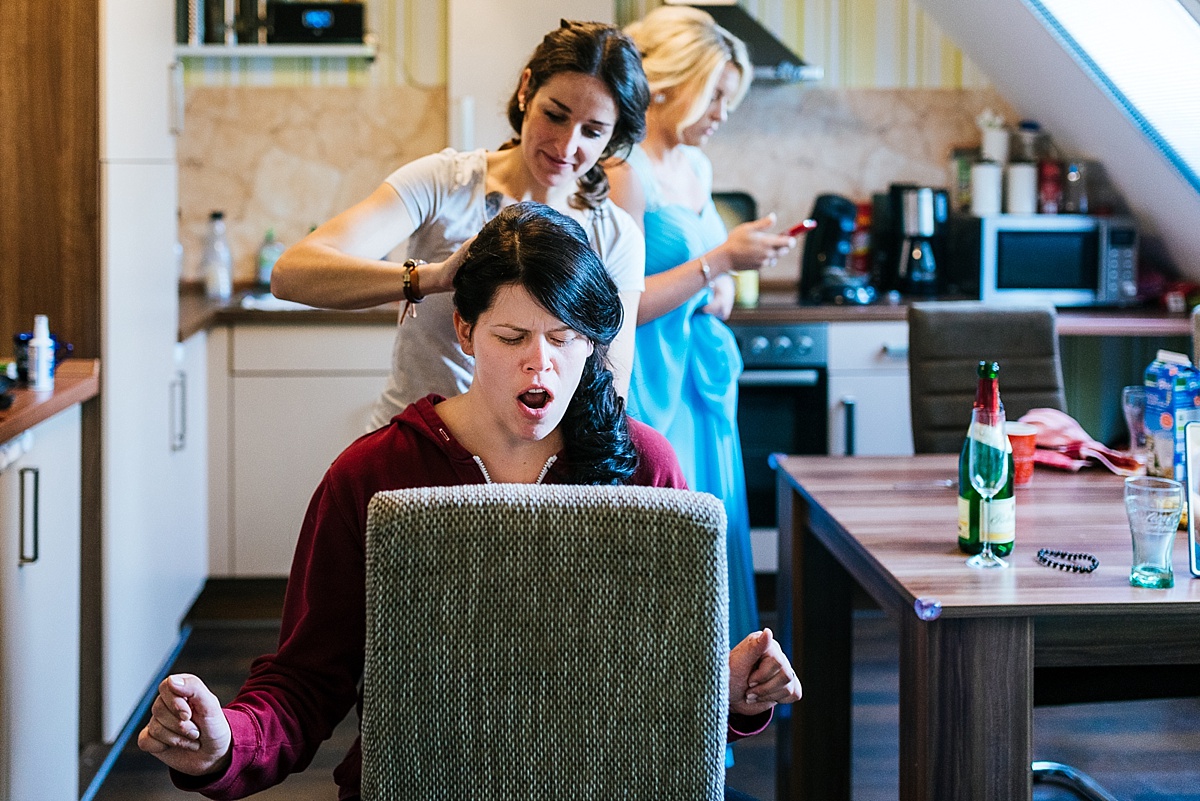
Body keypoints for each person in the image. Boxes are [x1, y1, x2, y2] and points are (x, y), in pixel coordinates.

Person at [139, 204, 802, 801]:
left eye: (565, 337)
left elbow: (676, 685)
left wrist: (736, 691)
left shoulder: (645, 465)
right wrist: (224, 741)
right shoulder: (373, 474)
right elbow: (303, 684)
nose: (539, 365)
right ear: (464, 329)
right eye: (512, 338)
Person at [270, 20, 650, 430]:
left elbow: (611, 388)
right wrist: (430, 278)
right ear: (526, 90)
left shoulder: (615, 236)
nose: (566, 146)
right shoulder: (444, 183)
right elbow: (291, 275)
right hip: (416, 450)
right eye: (554, 115)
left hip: (531, 466)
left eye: (592, 132)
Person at [607, 5, 795, 647]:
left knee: (711, 540)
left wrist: (723, 285)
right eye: (714, 95)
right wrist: (720, 260)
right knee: (662, 558)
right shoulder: (622, 170)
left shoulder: (697, 169)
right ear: (666, 82)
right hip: (648, 388)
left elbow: (700, 282)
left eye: (728, 100)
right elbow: (614, 307)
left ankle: (716, 719)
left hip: (703, 390)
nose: (721, 113)